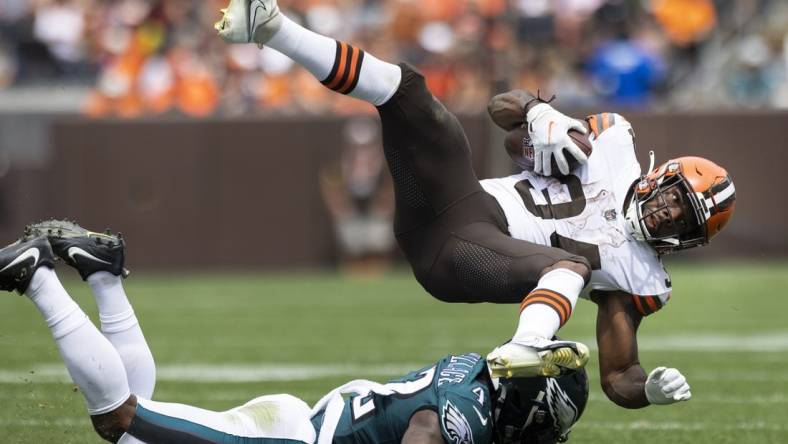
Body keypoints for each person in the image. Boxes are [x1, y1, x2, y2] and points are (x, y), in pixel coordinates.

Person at [215, 0, 735, 409]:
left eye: (683, 218)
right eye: (674, 200)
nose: (668, 214)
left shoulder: (641, 280)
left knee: (567, 266)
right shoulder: (610, 144)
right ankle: (273, 27)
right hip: (453, 204)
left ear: (690, 238)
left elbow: (619, 374)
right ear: (660, 177)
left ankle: (524, 346)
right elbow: (501, 116)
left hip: (467, 259)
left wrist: (647, 392)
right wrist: (537, 114)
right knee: (409, 92)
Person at [0, 220, 589, 444]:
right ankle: (40, 280)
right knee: (120, 420)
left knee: (134, 428)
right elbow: (426, 432)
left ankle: (103, 277)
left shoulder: (477, 376)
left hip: (302, 422)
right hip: (288, 442)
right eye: (549, 426)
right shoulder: (471, 414)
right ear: (531, 403)